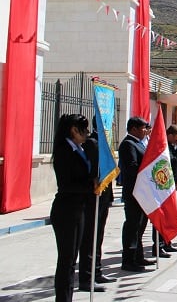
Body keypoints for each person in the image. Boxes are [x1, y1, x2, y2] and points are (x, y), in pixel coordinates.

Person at [50, 113, 96, 301]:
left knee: (72, 259)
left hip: (79, 208)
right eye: (83, 130)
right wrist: (89, 186)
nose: (86, 133)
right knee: (66, 260)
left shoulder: (80, 148)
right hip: (66, 210)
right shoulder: (64, 151)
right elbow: (67, 184)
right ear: (73, 130)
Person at [77, 118, 116, 291]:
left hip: (104, 196)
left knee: (98, 236)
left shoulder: (103, 142)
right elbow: (94, 170)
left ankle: (97, 271)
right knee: (90, 237)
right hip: (93, 197)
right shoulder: (92, 143)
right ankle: (87, 277)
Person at [119, 116, 154, 272]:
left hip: (143, 192)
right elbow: (132, 167)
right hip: (134, 191)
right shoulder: (128, 144)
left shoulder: (140, 144)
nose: (146, 131)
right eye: (143, 128)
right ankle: (128, 260)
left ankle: (138, 257)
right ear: (133, 129)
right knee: (132, 226)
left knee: (140, 226)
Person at [154, 125, 177, 257]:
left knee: (169, 215)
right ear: (169, 135)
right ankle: (158, 245)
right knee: (161, 217)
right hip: (162, 186)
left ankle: (167, 241)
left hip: (172, 185)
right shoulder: (162, 147)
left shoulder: (175, 148)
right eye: (176, 138)